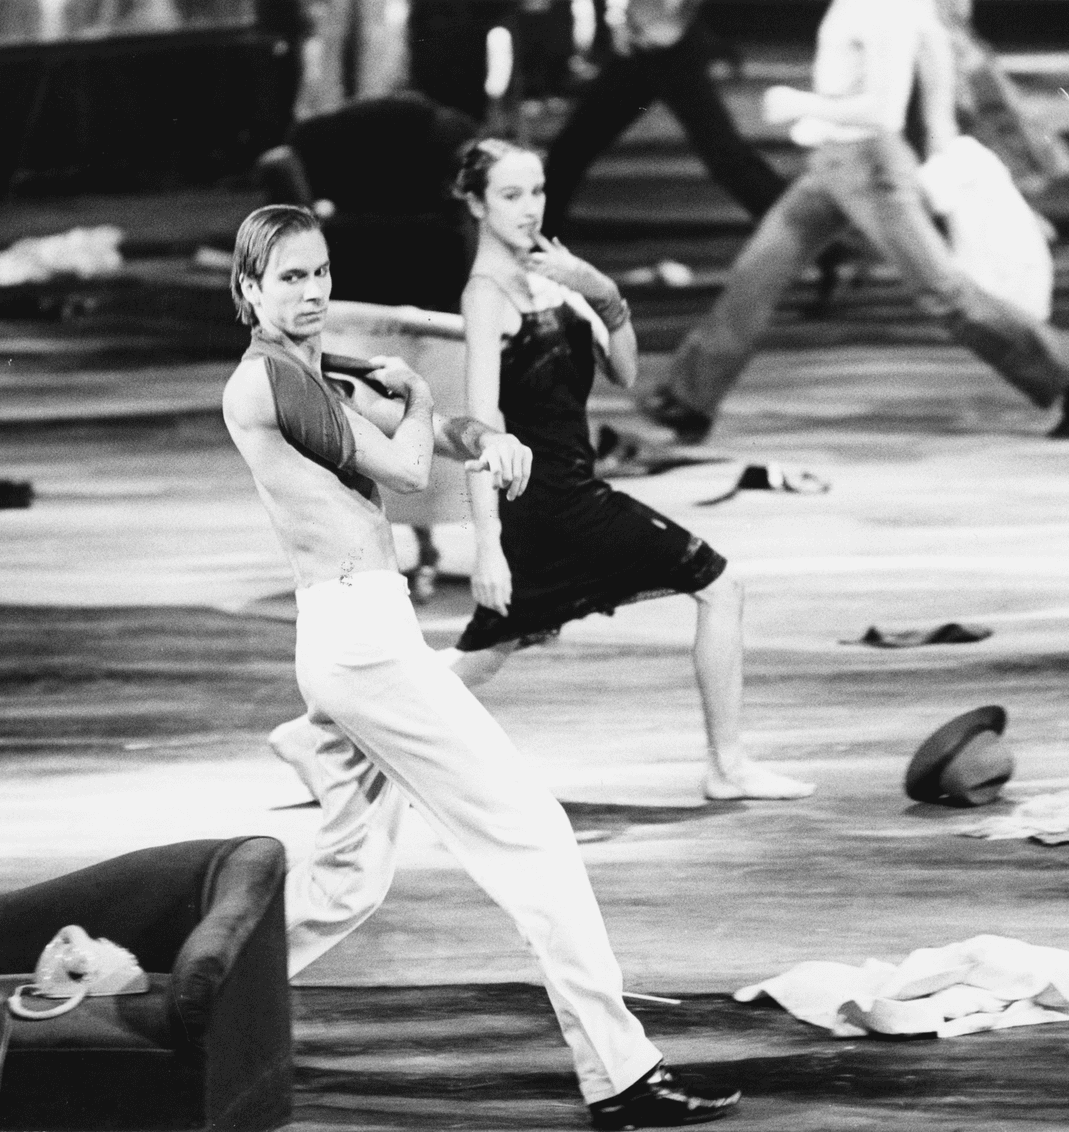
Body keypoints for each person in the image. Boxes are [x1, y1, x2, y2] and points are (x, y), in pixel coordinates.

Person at [222, 204, 740, 1129]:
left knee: (347, 884)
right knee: (533, 833)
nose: (312, 292)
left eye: (321, 273)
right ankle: (620, 1077)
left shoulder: (313, 363)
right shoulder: (267, 381)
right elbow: (404, 467)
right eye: (292, 277)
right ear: (249, 288)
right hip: (363, 645)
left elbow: (437, 433)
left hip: (357, 640)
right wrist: (424, 406)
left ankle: (175, 993)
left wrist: (484, 437)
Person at [446, 138, 814, 802]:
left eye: (537, 192)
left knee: (491, 649)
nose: (529, 209)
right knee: (717, 582)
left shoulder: (546, 275)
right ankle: (726, 767)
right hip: (552, 501)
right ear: (474, 203)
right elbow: (481, 429)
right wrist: (487, 549)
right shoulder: (485, 295)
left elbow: (624, 370)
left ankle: (326, 733)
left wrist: (605, 293)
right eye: (510, 196)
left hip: (568, 491)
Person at [641, 0, 1069, 445]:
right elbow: (935, 39)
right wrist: (937, 125)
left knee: (942, 291)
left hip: (868, 167)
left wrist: (798, 104)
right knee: (755, 274)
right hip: (834, 164)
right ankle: (689, 401)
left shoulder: (880, 9)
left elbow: (882, 112)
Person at [540, 0, 786, 236]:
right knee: (571, 149)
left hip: (661, 42)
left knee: (572, 148)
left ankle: (800, 230)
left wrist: (642, 23)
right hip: (651, 38)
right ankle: (536, 235)